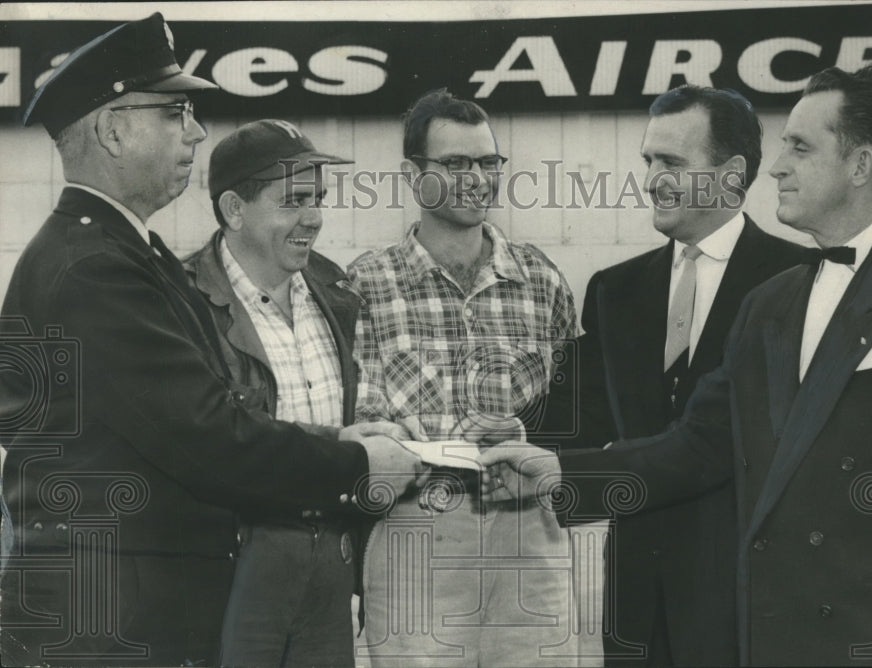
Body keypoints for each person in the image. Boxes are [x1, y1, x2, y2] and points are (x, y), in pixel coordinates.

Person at [483, 63, 872, 666]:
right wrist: (557, 472)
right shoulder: (771, 303)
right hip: (774, 637)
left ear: (860, 166)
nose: (777, 166)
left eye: (800, 148)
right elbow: (698, 446)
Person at [0, 14, 420, 666]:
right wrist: (357, 466)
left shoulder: (117, 253)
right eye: (175, 111)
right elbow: (208, 436)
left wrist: (335, 440)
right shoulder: (95, 266)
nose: (195, 131)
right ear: (113, 129)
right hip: (110, 629)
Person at [540, 86, 805, 667]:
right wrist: (493, 440)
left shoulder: (799, 282)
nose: (653, 179)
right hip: (635, 607)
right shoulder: (614, 290)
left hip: (749, 604)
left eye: (673, 163)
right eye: (648, 161)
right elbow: (576, 421)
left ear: (731, 175)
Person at [349, 89, 578, 667]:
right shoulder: (363, 284)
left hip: (529, 534)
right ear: (413, 175)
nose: (477, 178)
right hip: (414, 532)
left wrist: (535, 442)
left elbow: (579, 404)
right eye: (456, 164)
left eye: (488, 163)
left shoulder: (540, 278)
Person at [182, 118, 398, 667]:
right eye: (294, 201)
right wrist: (342, 445)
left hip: (331, 557)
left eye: (318, 199)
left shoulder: (335, 288)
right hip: (236, 562)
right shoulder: (180, 301)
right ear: (234, 210)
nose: (314, 218)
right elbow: (208, 438)